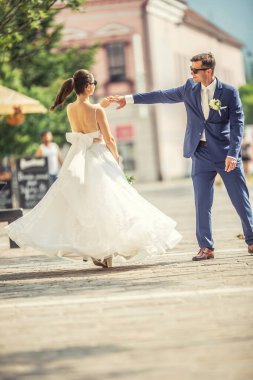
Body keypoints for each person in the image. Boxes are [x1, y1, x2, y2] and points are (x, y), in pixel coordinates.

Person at [6, 69, 181, 268]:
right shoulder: (98, 111)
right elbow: (110, 139)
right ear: (89, 87)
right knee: (109, 202)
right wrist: (115, 159)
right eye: (93, 84)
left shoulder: (70, 108)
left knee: (86, 204)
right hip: (98, 156)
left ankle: (98, 253)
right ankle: (106, 253)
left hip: (79, 158)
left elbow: (84, 116)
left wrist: (100, 106)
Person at [108, 52, 253, 260]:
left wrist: (233, 153)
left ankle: (251, 240)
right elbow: (161, 95)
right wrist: (128, 99)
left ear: (208, 71)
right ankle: (206, 247)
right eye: (191, 69)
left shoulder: (229, 92)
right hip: (200, 153)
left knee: (240, 199)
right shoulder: (189, 88)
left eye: (195, 70)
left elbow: (238, 123)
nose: (191, 73)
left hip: (225, 154)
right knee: (202, 202)